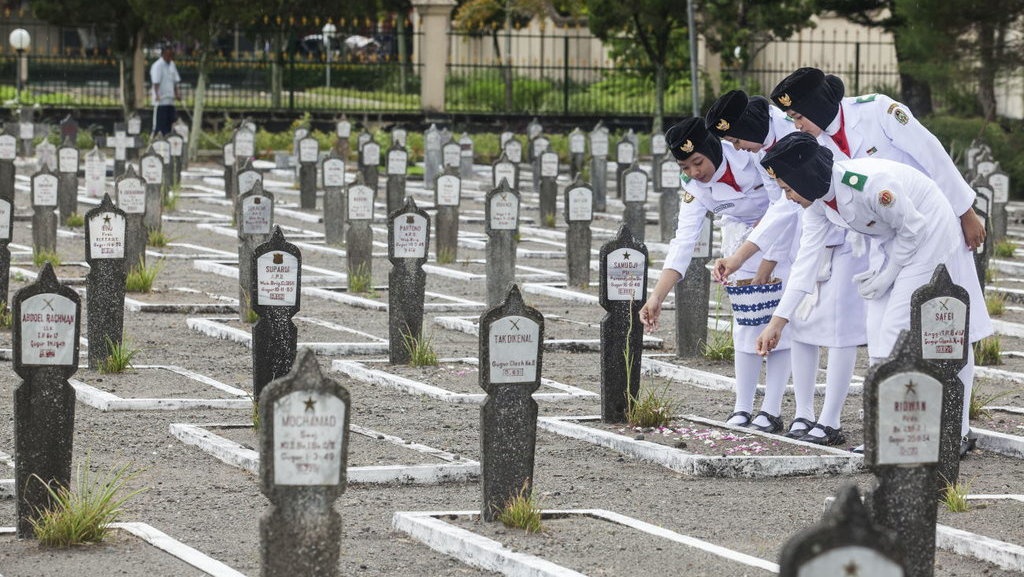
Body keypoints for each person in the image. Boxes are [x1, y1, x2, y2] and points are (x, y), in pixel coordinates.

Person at [754, 132, 993, 454]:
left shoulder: (867, 184)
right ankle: (888, 430)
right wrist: (778, 322)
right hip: (895, 244)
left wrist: (889, 274)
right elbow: (805, 265)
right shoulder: (818, 204)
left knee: (919, 332)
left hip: (930, 236)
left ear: (805, 177)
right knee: (878, 332)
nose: (787, 197)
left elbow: (914, 228)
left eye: (787, 188)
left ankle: (944, 433)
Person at [707, 90, 869, 445]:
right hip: (805, 230)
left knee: (839, 327)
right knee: (803, 325)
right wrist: (746, 258)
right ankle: (804, 412)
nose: (736, 146)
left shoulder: (792, 136)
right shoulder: (766, 148)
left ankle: (824, 415)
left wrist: (750, 259)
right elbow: (783, 205)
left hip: (845, 230)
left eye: (736, 138)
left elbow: (791, 201)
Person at [639, 117, 798, 433]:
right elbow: (684, 240)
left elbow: (783, 205)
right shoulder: (694, 186)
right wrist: (657, 295)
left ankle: (772, 408)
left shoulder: (749, 154)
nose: (695, 172)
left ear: (712, 148)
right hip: (740, 242)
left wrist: (769, 260)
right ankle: (742, 406)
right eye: (685, 167)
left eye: (698, 162)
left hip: (783, 234)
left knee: (780, 322)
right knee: (746, 323)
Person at [769, 67, 985, 251]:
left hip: (930, 215)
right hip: (887, 236)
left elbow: (932, 154)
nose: (797, 126)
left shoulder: (877, 110)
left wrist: (965, 212)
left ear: (815, 105)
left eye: (798, 117)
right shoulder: (814, 145)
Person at [150, 46, 181, 136]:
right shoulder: (157, 66)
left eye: (171, 55)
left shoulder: (172, 64)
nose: (169, 58)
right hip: (161, 102)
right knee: (160, 125)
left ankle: (168, 138)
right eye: (168, 55)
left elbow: (175, 81)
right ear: (163, 54)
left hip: (170, 100)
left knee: (170, 123)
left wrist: (177, 94)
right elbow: (156, 82)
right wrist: (157, 95)